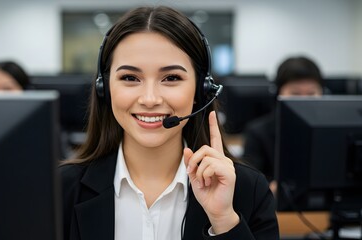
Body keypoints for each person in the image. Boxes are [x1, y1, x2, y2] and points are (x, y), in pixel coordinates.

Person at [59, 6, 279, 240]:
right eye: (130, 78)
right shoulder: (61, 190)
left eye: (171, 78)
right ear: (104, 88)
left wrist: (224, 221)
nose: (150, 99)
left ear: (201, 91)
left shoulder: (248, 190)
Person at [242, 56, 324, 193]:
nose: (304, 101)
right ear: (278, 93)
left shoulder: (329, 130)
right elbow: (249, 183)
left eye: (311, 93)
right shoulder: (258, 132)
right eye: (295, 93)